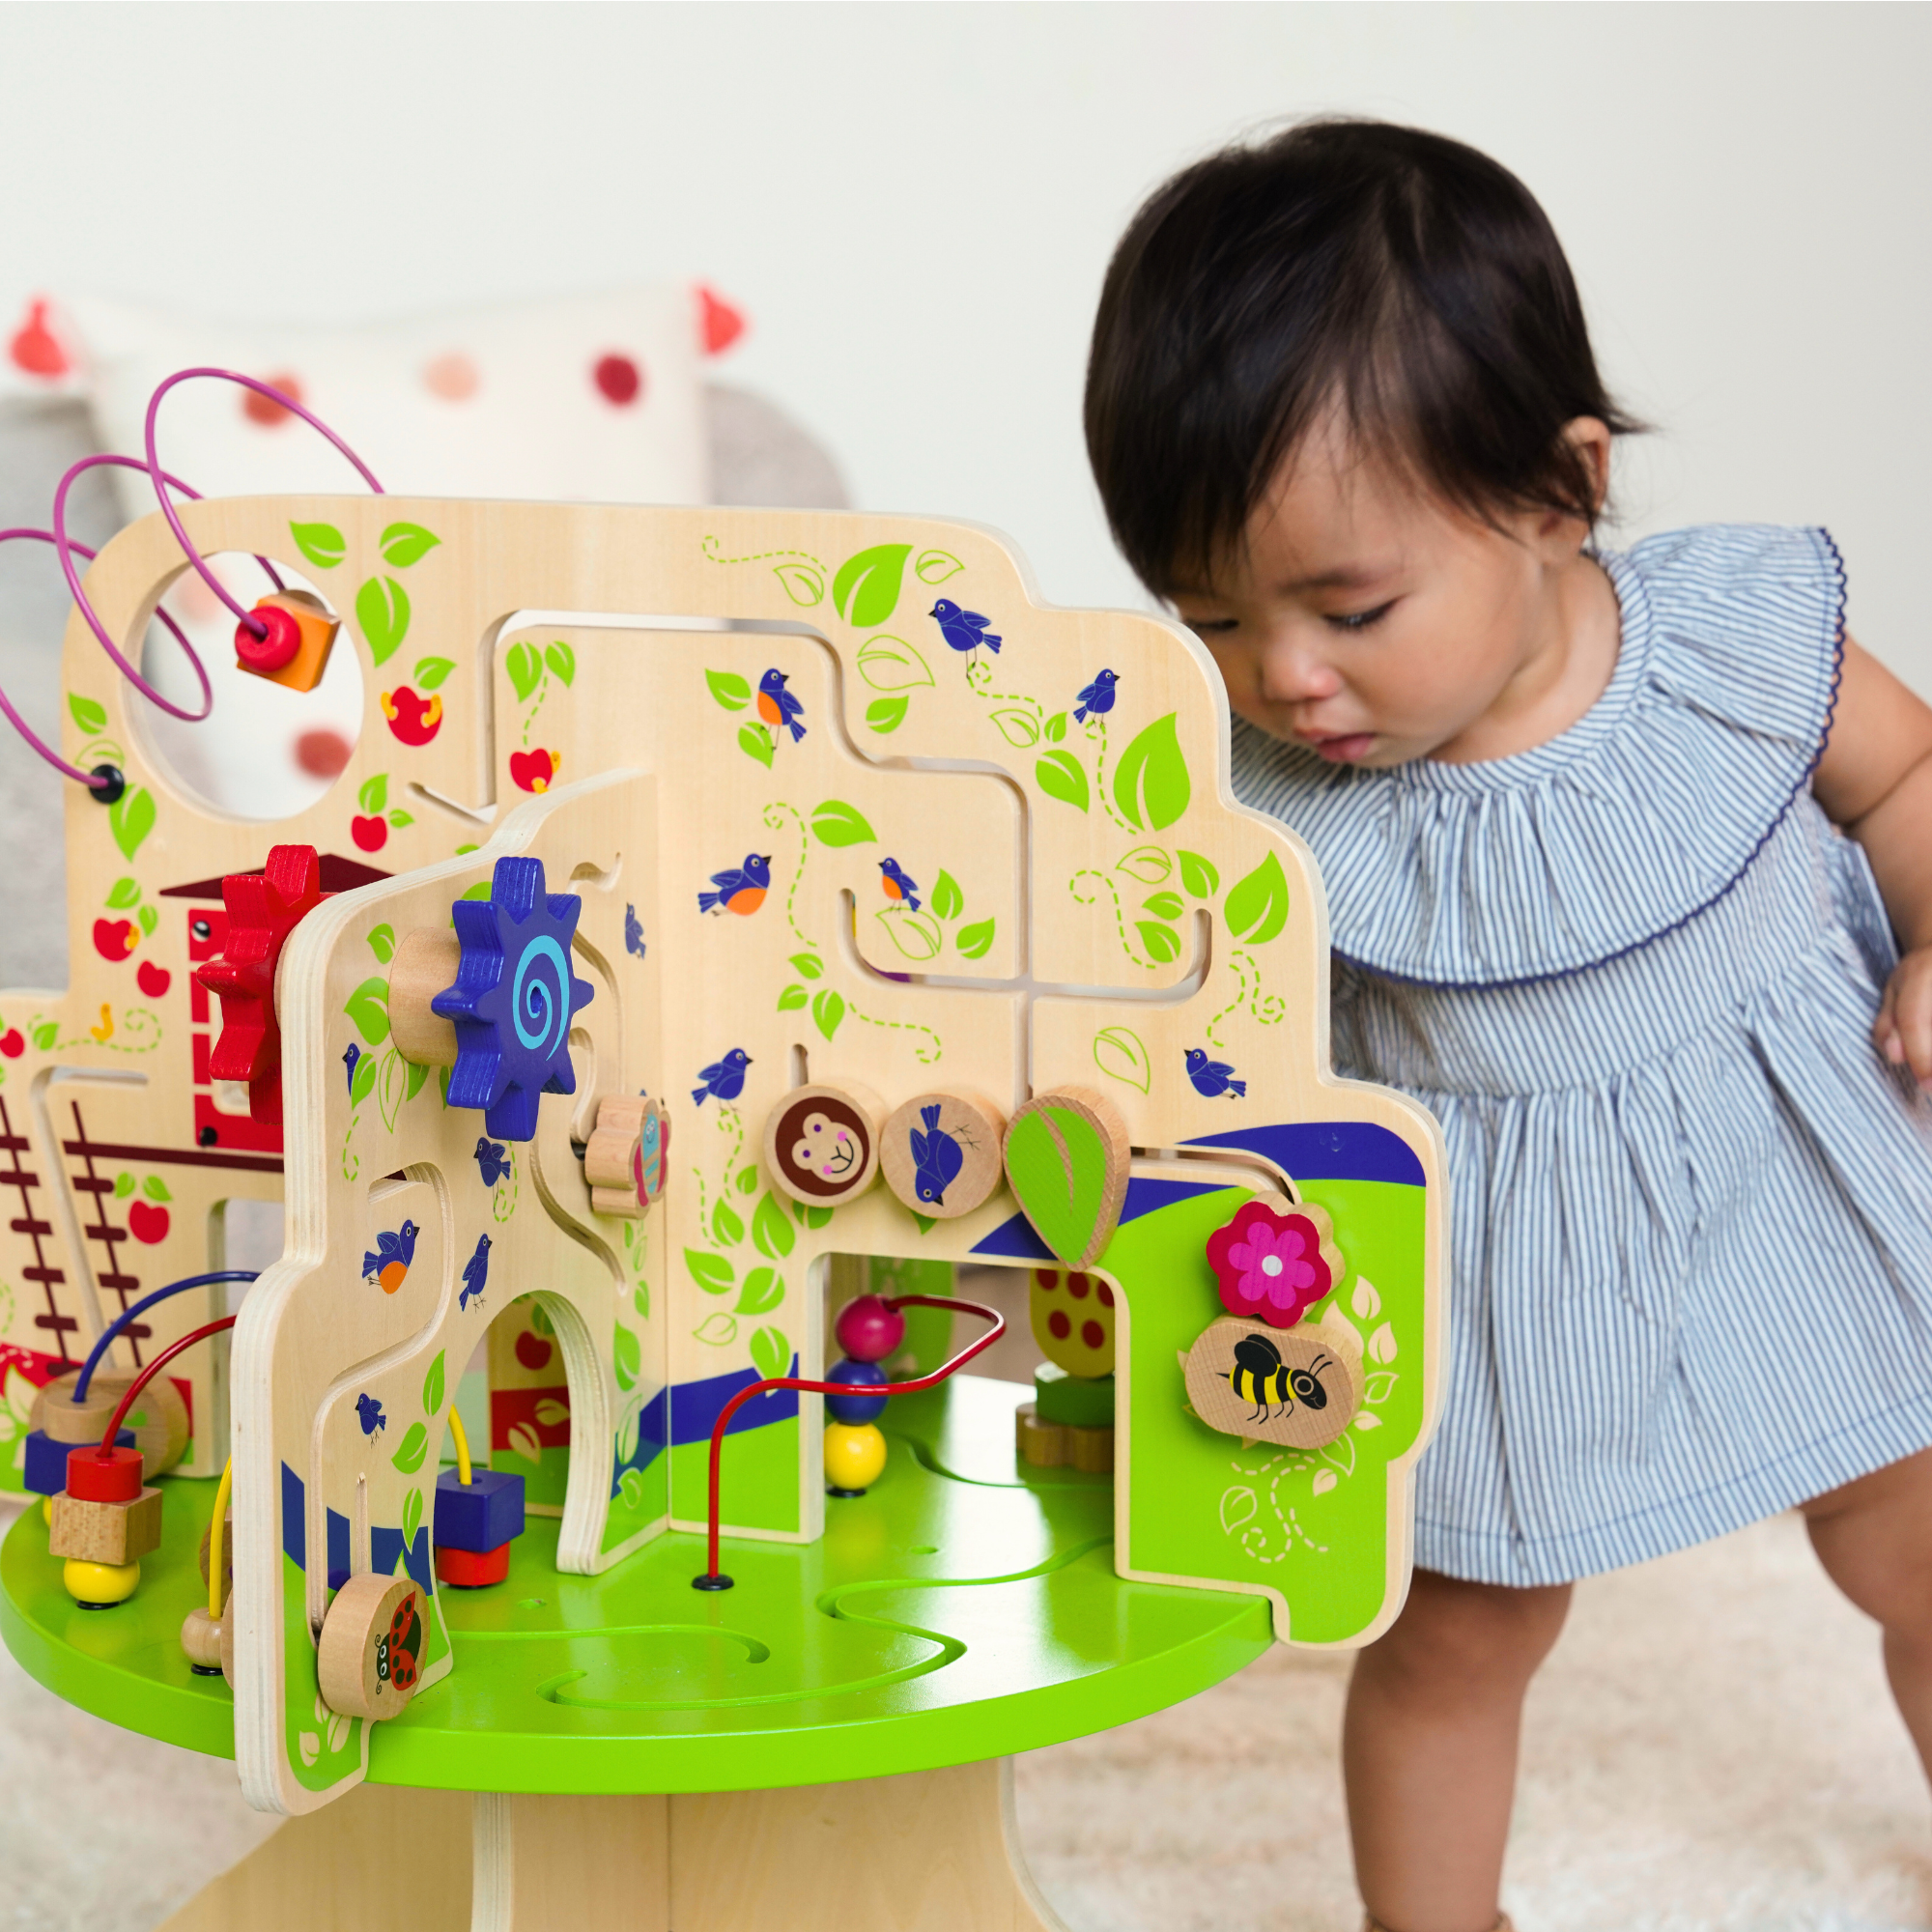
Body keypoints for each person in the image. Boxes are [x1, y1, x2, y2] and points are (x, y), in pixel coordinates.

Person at [1085, 118, 1932, 1932]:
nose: (1285, 675)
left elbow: (1907, 775)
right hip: (1496, 1262)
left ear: (1559, 490)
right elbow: (1207, 1015)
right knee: (1453, 1631)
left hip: (1801, 1186)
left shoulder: (1727, 648)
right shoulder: (1264, 795)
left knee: (1923, 1556)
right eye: (1212, 618)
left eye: (1352, 607)